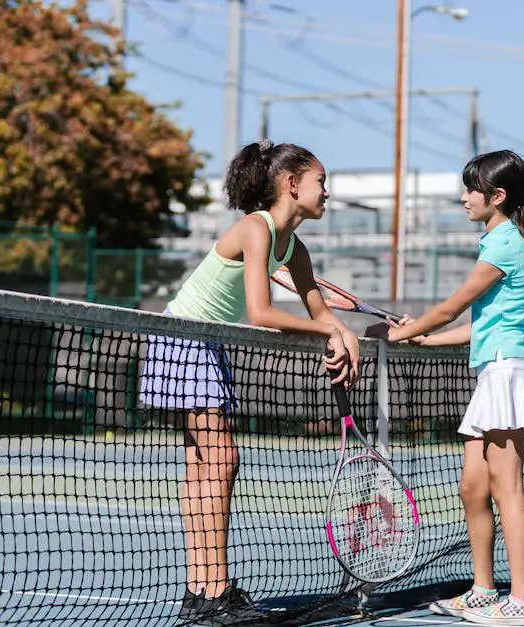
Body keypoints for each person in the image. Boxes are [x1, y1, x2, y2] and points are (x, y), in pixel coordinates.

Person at [139, 140, 361, 624]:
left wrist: (346, 335)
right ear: (291, 184)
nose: (327, 192)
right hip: (183, 335)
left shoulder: (294, 248)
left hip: (207, 341)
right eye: (321, 182)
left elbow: (319, 312)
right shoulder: (255, 229)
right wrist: (330, 330)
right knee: (219, 458)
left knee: (206, 462)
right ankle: (212, 591)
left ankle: (201, 589)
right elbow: (261, 314)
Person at [368, 149, 524, 626]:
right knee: (473, 487)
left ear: (497, 196)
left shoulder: (504, 244)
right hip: (492, 369)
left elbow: (454, 305)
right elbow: (479, 322)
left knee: (505, 486)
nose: (464, 197)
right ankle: (483, 589)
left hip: (507, 373)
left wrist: (401, 333)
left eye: (472, 189)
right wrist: (426, 336)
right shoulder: (498, 240)